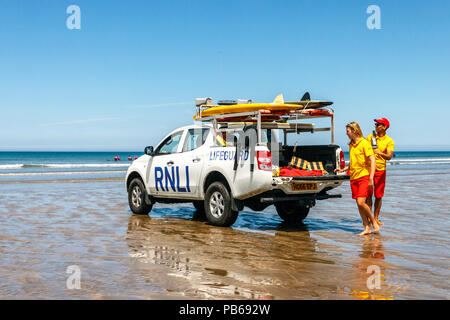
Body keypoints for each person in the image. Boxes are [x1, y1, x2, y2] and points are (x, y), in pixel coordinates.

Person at [335, 122, 380, 235]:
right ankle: (366, 228)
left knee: (361, 202)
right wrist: (343, 169)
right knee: (358, 203)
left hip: (363, 176)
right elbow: (353, 161)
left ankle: (374, 222)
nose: (346, 134)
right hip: (353, 177)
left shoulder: (365, 143)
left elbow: (373, 160)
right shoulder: (351, 145)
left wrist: (371, 178)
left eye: (348, 131)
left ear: (354, 131)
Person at [366, 118, 394, 226]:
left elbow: (389, 156)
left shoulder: (389, 141)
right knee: (368, 195)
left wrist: (379, 153)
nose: (376, 126)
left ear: (385, 127)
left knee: (378, 195)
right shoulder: (371, 137)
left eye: (378, 124)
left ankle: (376, 218)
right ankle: (369, 218)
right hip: (369, 169)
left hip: (381, 170)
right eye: (375, 124)